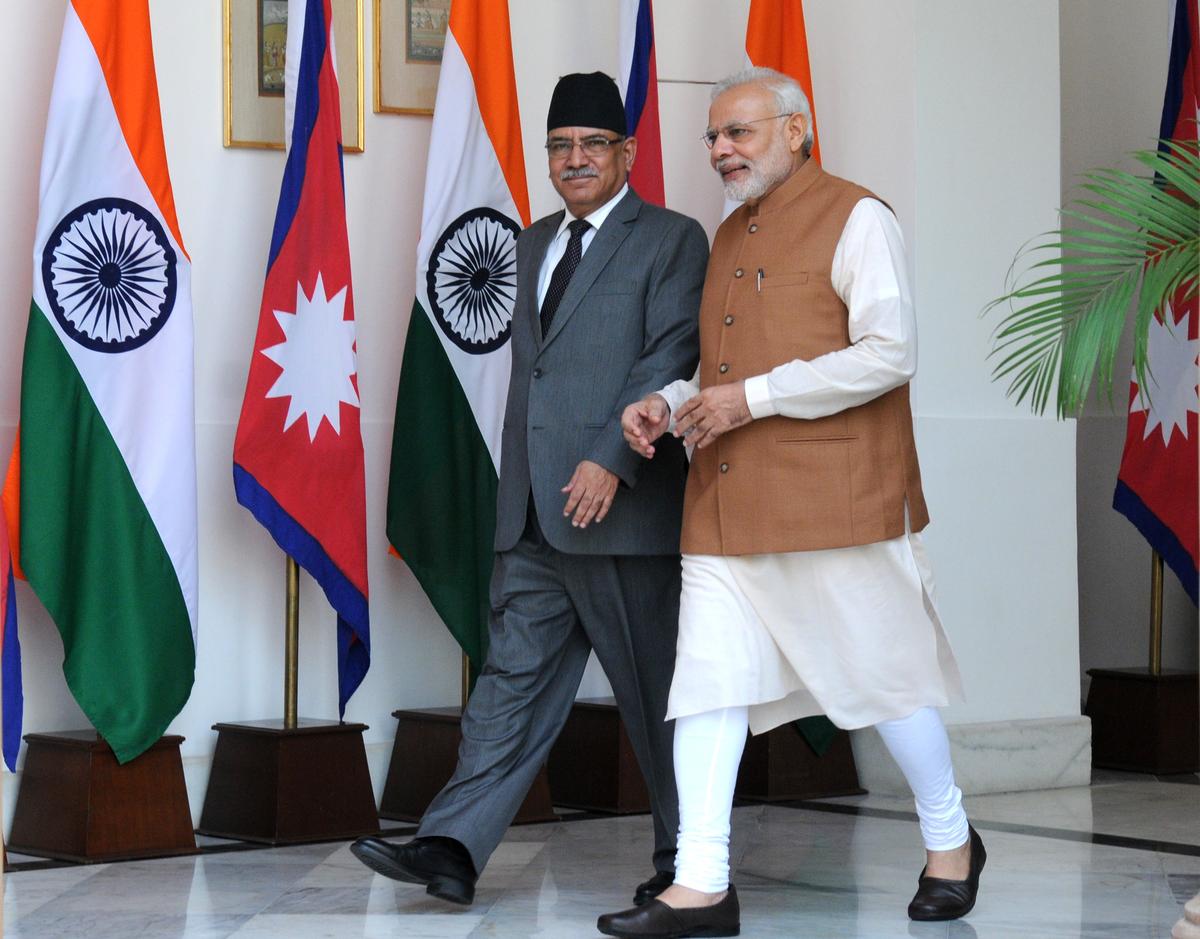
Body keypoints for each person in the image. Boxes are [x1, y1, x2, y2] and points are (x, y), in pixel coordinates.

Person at [598, 67, 985, 939]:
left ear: (798, 130)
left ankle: (952, 841)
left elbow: (891, 351)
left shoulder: (859, 217)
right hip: (726, 503)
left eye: (740, 132)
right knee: (705, 688)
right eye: (713, 137)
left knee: (890, 681)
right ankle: (701, 882)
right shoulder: (728, 236)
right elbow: (723, 372)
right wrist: (669, 396)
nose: (721, 151)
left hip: (835, 497)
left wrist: (751, 400)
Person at [351, 72, 709, 909]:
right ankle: (449, 847)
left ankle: (690, 860)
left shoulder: (672, 239)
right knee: (507, 688)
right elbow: (541, 376)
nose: (574, 159)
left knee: (657, 700)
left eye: (592, 145)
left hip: (623, 512)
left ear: (625, 153)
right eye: (559, 146)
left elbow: (670, 354)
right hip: (536, 519)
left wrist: (608, 459)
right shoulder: (530, 239)